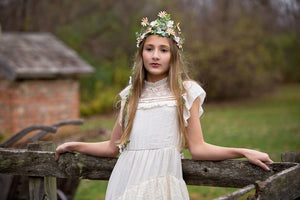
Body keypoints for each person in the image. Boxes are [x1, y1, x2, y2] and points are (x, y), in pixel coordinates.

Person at [55, 11, 273, 200]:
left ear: (173, 56)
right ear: (141, 54)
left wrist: (243, 152)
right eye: (149, 49)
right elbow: (113, 148)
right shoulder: (130, 95)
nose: (155, 56)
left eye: (163, 50)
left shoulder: (186, 92)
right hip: (126, 183)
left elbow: (198, 148)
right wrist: (74, 145)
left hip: (164, 182)